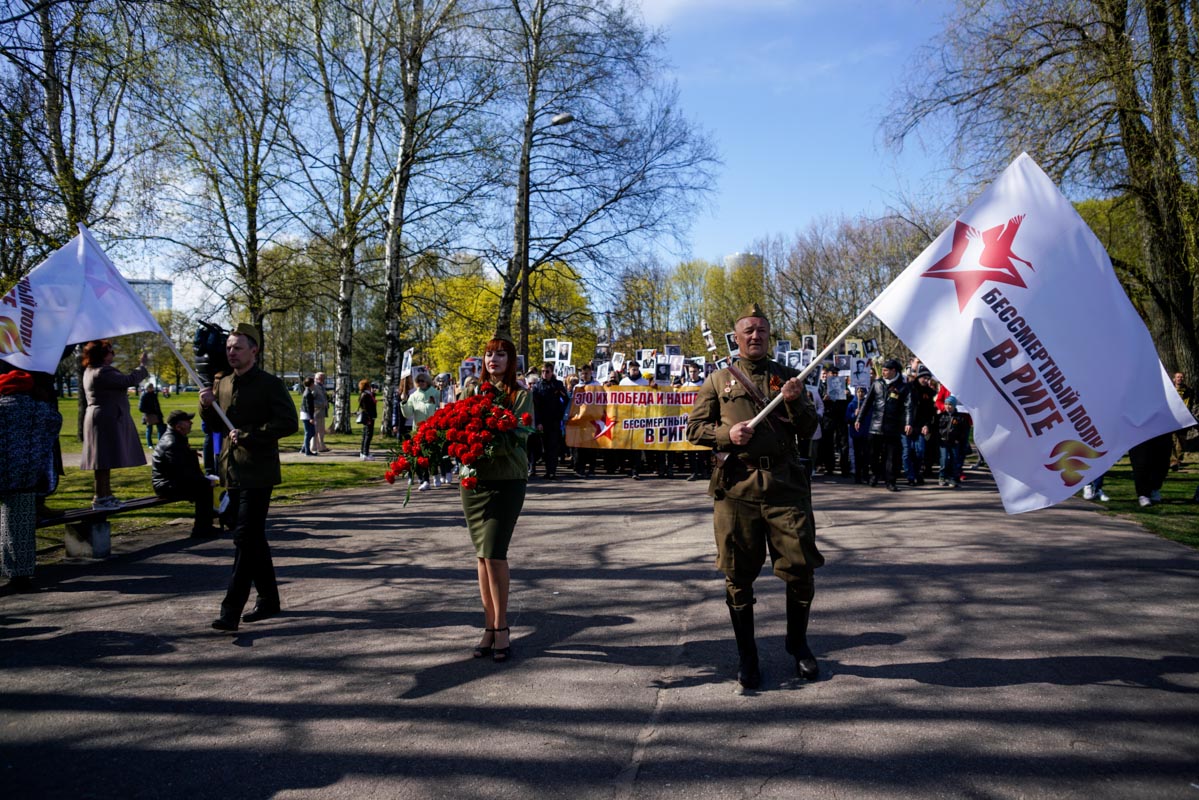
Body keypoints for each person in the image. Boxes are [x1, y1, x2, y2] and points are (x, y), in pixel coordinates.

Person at [686, 303, 823, 690]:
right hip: (737, 488)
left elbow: (811, 429)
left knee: (801, 570)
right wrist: (724, 436)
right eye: (748, 330)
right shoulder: (718, 380)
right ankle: (748, 657)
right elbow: (694, 429)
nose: (755, 336)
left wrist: (795, 401)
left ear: (769, 335)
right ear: (736, 336)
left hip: (784, 487)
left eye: (761, 330)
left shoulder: (789, 378)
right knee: (737, 576)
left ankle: (798, 644)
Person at [200, 323, 299, 632]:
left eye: (238, 347)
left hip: (258, 470)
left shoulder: (270, 384)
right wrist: (205, 407)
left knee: (244, 537)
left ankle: (230, 611)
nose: (231, 352)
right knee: (252, 538)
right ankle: (269, 599)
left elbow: (288, 422)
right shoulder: (224, 383)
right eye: (229, 347)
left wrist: (251, 435)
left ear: (254, 351)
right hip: (231, 470)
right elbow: (216, 424)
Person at [464, 337, 533, 664]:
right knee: (481, 556)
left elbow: (517, 436)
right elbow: (457, 425)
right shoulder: (469, 391)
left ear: (511, 359)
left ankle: (502, 626)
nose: (494, 359)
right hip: (474, 481)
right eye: (489, 354)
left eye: (500, 354)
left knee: (494, 552)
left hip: (507, 480)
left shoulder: (521, 395)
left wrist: (483, 436)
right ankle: (489, 627)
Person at [0, 364, 61, 592]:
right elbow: (56, 423)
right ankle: (21, 574)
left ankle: (7, 567)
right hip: (27, 473)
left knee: (5, 520)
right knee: (21, 523)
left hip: (2, 471)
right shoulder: (40, 410)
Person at [80, 340, 150, 509]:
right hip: (105, 418)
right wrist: (142, 366)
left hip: (100, 417)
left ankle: (105, 495)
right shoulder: (102, 372)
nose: (113, 355)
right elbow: (128, 380)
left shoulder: (91, 370)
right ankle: (101, 497)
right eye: (110, 352)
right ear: (102, 355)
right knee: (102, 460)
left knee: (104, 459)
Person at [152, 410, 220, 536]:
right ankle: (202, 528)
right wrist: (205, 480)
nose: (191, 423)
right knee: (204, 488)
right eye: (187, 421)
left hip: (171, 482)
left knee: (205, 486)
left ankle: (204, 525)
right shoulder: (172, 442)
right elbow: (181, 472)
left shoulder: (176, 438)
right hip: (166, 485)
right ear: (178, 426)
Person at [855, 358, 909, 492]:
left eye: (885, 370)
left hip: (892, 427)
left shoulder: (903, 386)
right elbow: (867, 402)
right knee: (873, 454)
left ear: (893, 371)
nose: (883, 372)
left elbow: (909, 407)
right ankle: (874, 474)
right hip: (876, 426)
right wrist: (859, 419)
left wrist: (908, 423)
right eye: (883, 370)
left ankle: (890, 481)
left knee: (891, 456)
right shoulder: (877, 384)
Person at [401, 371, 442, 489]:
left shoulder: (435, 393)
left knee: (433, 454)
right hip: (418, 430)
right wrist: (404, 401)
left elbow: (442, 407)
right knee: (421, 455)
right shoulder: (413, 396)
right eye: (418, 381)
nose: (420, 383)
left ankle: (435, 475)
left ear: (427, 381)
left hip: (433, 429)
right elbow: (407, 413)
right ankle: (425, 480)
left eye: (422, 381)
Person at [532, 362, 569, 480]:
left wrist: (560, 413)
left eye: (547, 371)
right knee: (543, 448)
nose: (544, 374)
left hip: (554, 420)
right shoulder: (537, 386)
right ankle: (546, 469)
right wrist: (538, 422)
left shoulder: (557, 384)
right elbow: (536, 406)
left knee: (552, 447)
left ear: (552, 372)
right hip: (543, 421)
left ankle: (551, 471)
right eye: (542, 371)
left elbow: (566, 399)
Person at [937, 396, 971, 488]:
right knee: (944, 460)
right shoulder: (941, 416)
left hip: (954, 443)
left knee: (954, 460)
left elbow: (963, 431)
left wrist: (958, 440)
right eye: (946, 404)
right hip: (943, 442)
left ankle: (952, 478)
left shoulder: (960, 418)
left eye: (950, 405)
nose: (948, 406)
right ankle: (942, 476)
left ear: (954, 405)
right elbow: (936, 428)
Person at [139, 384, 166, 449]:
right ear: (147, 388)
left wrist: (159, 413)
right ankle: (149, 444)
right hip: (149, 415)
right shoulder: (144, 395)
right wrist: (149, 411)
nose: (152, 388)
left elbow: (157, 405)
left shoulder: (154, 394)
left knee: (161, 429)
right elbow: (141, 408)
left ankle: (160, 444)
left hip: (157, 414)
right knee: (149, 430)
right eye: (150, 387)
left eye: (152, 387)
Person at [357, 379, 377, 461]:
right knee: (368, 435)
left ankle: (363, 452)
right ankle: (365, 453)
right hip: (368, 417)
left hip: (369, 416)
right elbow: (366, 407)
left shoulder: (367, 394)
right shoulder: (365, 395)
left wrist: (373, 394)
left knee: (366, 434)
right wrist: (369, 417)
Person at [299, 377, 318, 455]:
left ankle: (304, 448)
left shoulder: (307, 392)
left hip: (305, 414)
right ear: (311, 384)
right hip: (307, 415)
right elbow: (309, 407)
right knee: (309, 432)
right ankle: (307, 451)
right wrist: (311, 418)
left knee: (311, 432)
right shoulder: (308, 393)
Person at [312, 371, 330, 452]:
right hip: (316, 412)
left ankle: (321, 446)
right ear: (316, 378)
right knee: (315, 431)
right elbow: (310, 400)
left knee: (321, 430)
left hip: (322, 412)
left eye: (323, 378)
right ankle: (313, 447)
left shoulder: (322, 386)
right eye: (321, 378)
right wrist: (322, 404)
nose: (323, 379)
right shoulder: (314, 387)